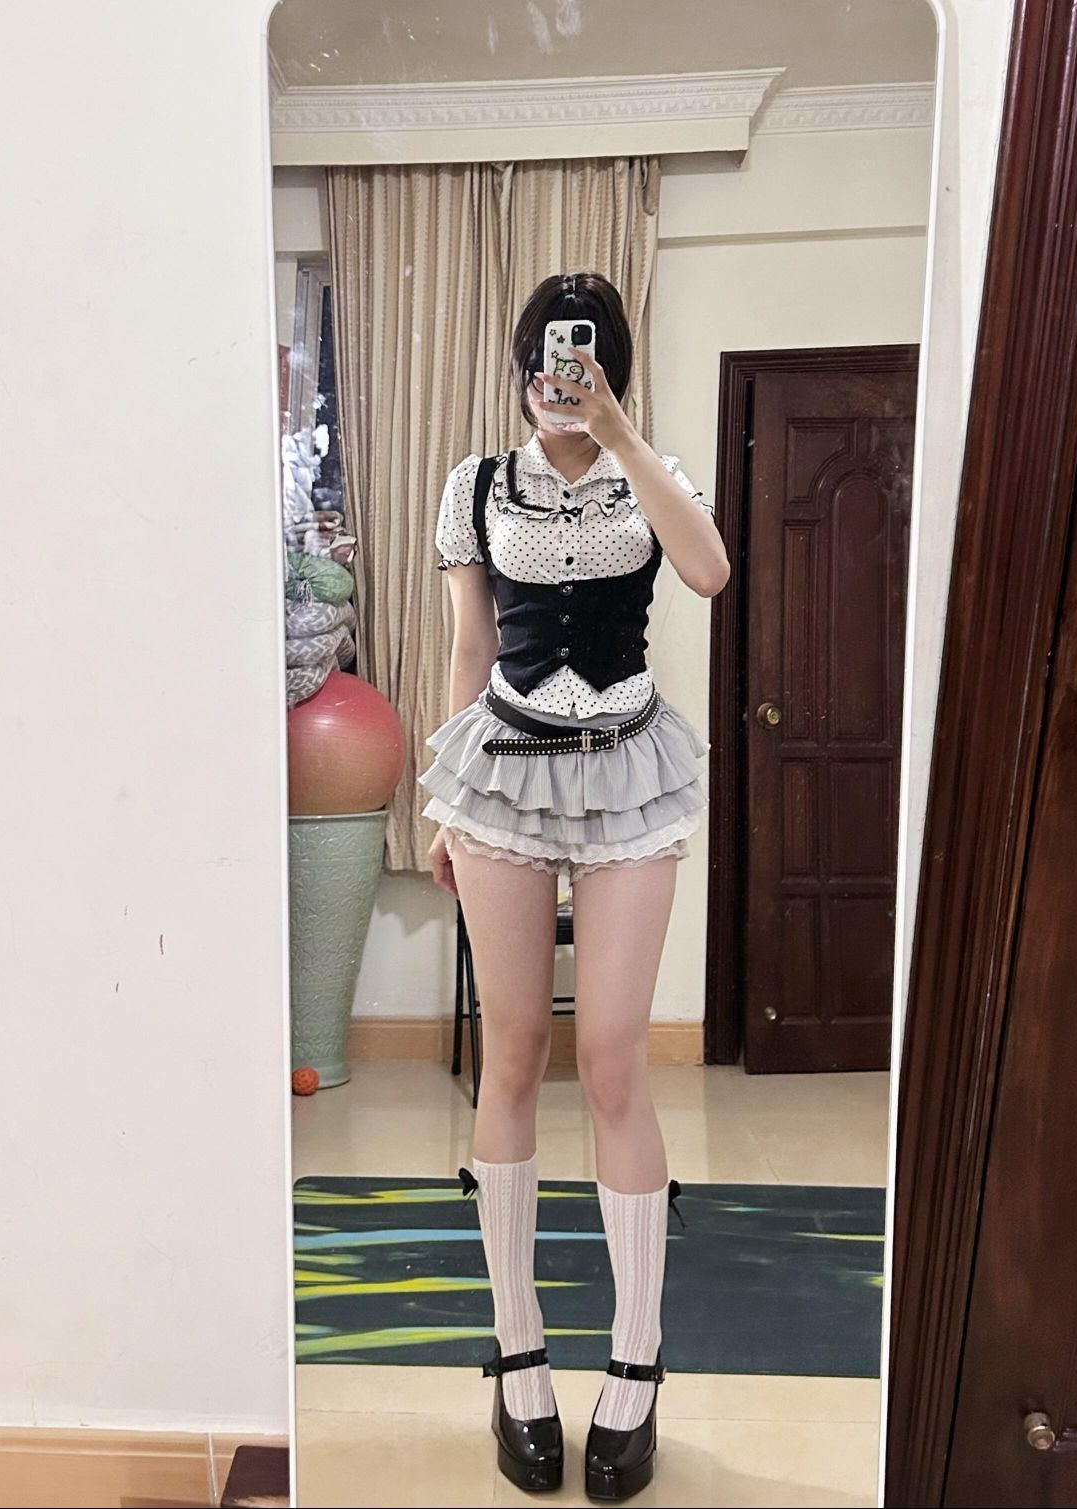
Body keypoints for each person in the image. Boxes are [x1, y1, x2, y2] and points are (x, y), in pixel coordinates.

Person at [419, 271, 729, 1501]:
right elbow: (469, 643)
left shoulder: (651, 473)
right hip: (500, 773)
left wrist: (619, 434)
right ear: (518, 366)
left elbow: (708, 572)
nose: (562, 376)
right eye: (548, 359)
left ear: (612, 369)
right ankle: (519, 1357)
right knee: (511, 1059)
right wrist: (443, 803)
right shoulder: (474, 486)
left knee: (611, 1060)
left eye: (586, 360)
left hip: (628, 772)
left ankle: (637, 1365)